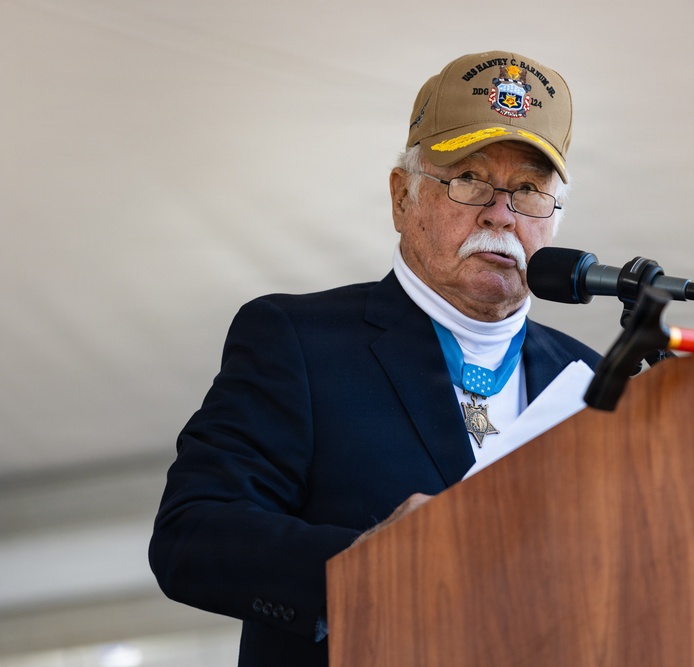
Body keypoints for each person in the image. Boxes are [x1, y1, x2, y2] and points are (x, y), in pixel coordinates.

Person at [149, 50, 601, 667]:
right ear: (401, 198)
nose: (500, 214)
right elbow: (190, 537)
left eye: (528, 192)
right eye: (469, 180)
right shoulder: (298, 342)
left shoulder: (600, 383)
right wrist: (367, 565)